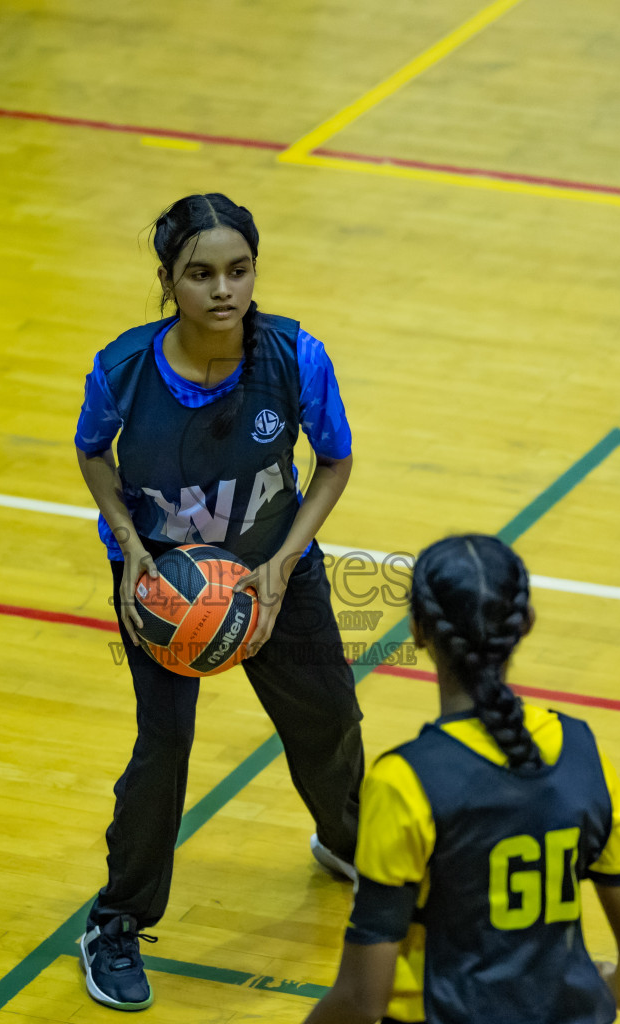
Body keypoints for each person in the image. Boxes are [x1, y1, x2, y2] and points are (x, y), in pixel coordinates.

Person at [72, 193, 365, 1011]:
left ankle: (348, 844)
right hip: (164, 585)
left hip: (275, 568)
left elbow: (333, 464)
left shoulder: (295, 356)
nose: (223, 289)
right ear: (168, 281)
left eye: (238, 270)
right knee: (163, 747)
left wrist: (284, 559)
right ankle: (117, 919)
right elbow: (92, 453)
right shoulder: (123, 368)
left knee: (331, 719)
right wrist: (129, 545)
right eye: (200, 274)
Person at [305, 535, 620, 1024]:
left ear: (417, 631)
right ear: (525, 624)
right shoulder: (581, 751)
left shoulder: (405, 782)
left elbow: (361, 1000)